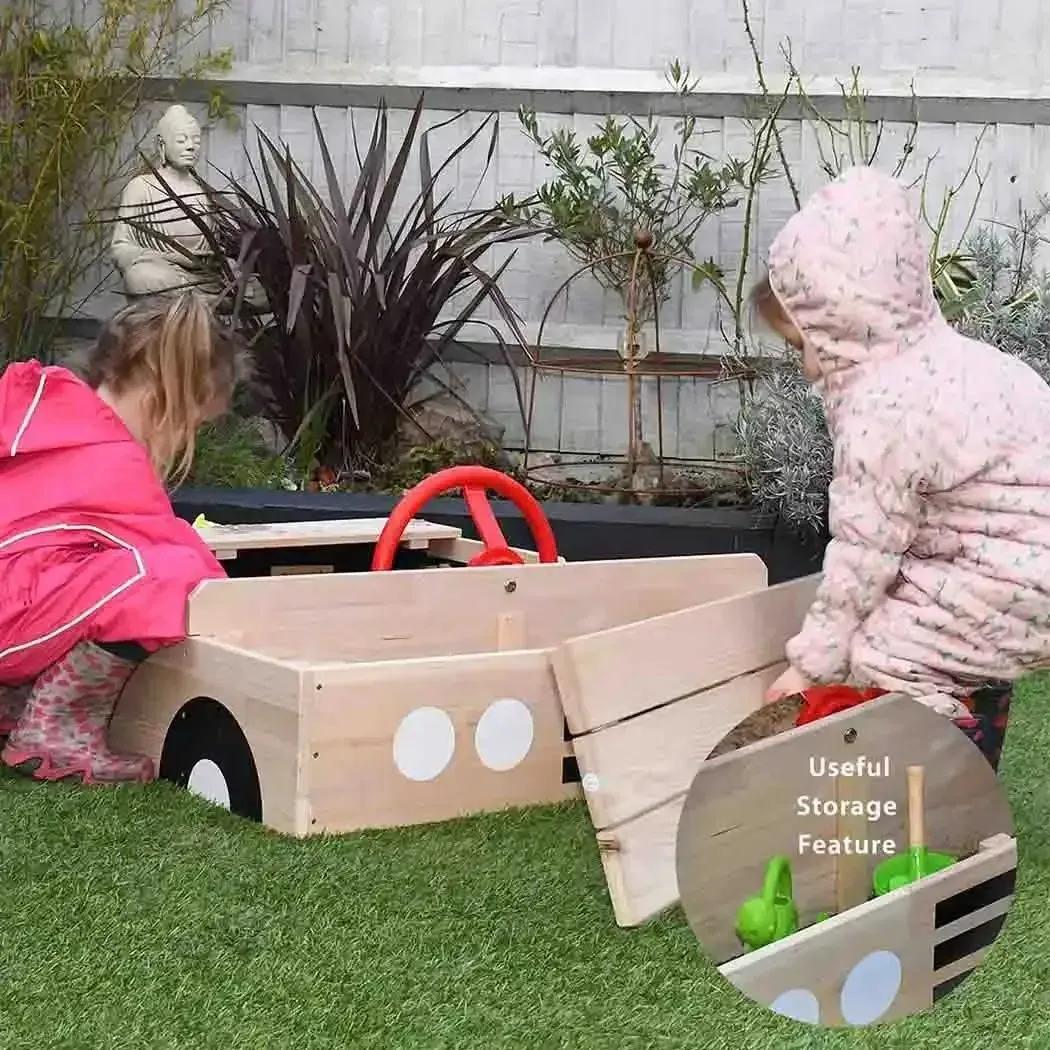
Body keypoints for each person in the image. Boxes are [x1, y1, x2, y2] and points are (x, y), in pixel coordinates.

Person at [754, 164, 1050, 771]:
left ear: (844, 322)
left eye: (805, 344)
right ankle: (973, 737)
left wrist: (810, 666)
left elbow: (864, 555)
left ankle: (942, 780)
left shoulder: (882, 410)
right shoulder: (962, 361)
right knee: (950, 636)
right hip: (1012, 571)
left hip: (1011, 579)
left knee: (886, 654)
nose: (809, 369)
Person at [0, 292, 240, 783]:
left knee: (83, 565)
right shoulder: (117, 464)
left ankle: (15, 696)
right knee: (177, 574)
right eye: (194, 424)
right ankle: (57, 728)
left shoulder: (41, 401)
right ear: (164, 401)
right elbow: (184, 566)